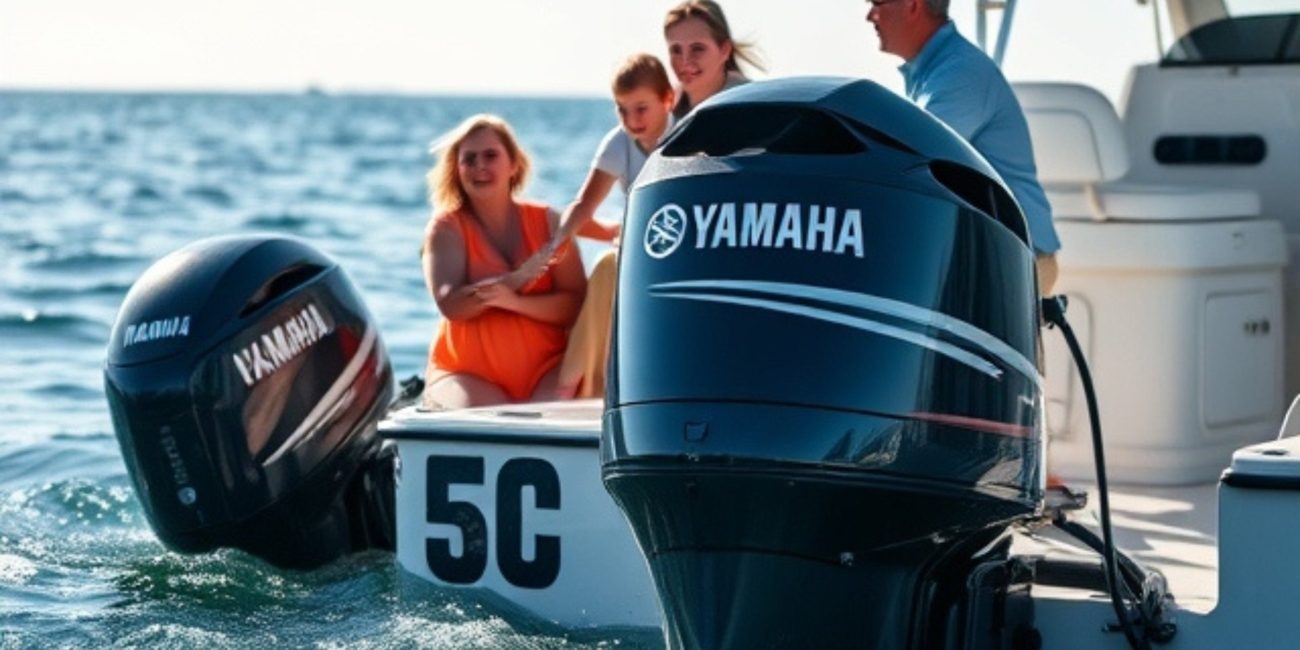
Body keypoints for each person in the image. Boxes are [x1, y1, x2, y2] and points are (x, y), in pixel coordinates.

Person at [866, 0, 1061, 294]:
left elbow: (908, 161)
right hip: (996, 253)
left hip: (1014, 259)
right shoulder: (940, 69)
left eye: (878, 2)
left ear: (913, 5)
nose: (871, 15)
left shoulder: (960, 73)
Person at [514, 54, 678, 399]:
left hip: (678, 254)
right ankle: (572, 386)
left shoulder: (686, 139)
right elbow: (583, 205)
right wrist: (549, 250)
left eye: (641, 108)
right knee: (606, 266)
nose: (631, 120)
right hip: (637, 253)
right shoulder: (619, 142)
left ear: (668, 100)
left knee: (609, 265)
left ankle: (572, 385)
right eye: (621, 109)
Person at [421, 114, 587, 409]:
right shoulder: (446, 229)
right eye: (468, 159)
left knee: (550, 421)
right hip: (466, 373)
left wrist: (515, 302)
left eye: (490, 155)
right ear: (457, 170)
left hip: (547, 370)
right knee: (484, 422)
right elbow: (452, 305)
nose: (479, 166)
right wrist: (516, 279)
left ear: (514, 165)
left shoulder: (549, 222)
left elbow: (575, 305)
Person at [664, 0, 762, 119]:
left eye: (697, 48)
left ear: (725, 50)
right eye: (676, 50)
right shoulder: (660, 118)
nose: (685, 60)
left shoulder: (754, 108)